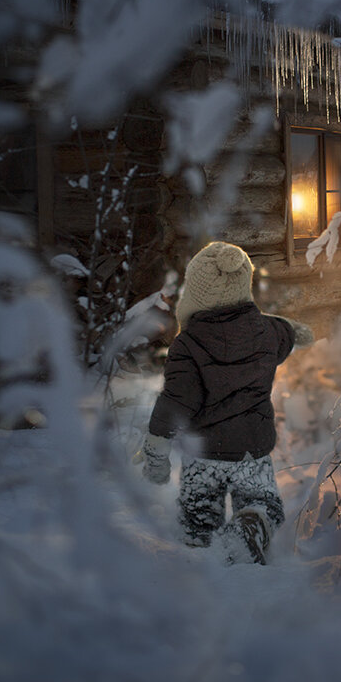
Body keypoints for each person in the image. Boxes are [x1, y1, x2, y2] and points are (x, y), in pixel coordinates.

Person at [135, 241, 313, 564]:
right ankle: (251, 527)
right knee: (263, 505)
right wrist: (298, 332)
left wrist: (156, 450)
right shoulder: (266, 332)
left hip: (203, 455)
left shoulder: (187, 345)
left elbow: (175, 402)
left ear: (199, 294)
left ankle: (198, 551)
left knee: (197, 516)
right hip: (252, 453)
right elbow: (284, 332)